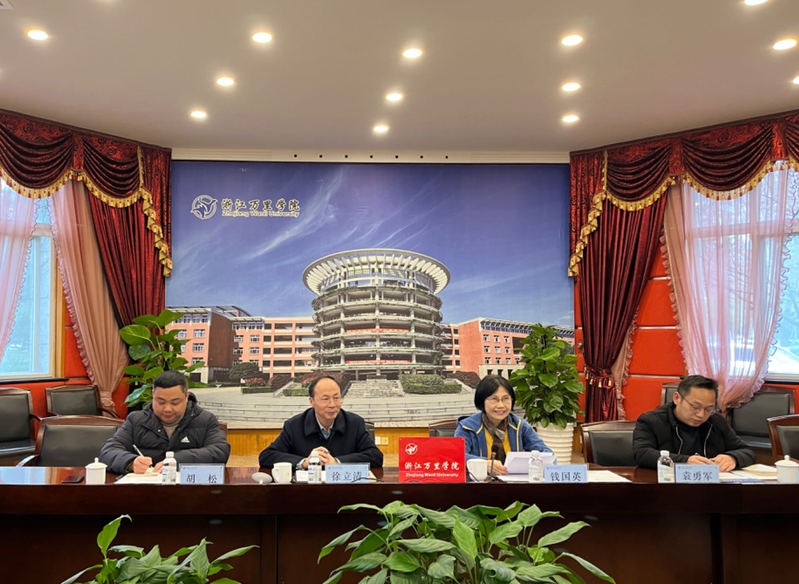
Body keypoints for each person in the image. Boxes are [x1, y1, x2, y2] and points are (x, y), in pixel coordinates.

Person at [99, 370, 230, 474]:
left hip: (188, 491)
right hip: (145, 491)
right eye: (161, 402)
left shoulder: (205, 420)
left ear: (186, 396)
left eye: (175, 402)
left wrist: (177, 460)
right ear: (153, 395)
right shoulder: (136, 420)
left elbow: (220, 451)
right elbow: (108, 450)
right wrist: (130, 462)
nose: (167, 409)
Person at [633, 374, 755, 471]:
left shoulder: (716, 420)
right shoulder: (651, 420)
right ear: (677, 398)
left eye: (708, 409)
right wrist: (685, 461)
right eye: (695, 407)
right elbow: (642, 454)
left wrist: (733, 458)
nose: (701, 414)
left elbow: (747, 451)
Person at [258, 375, 383, 469]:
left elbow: (375, 456)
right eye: (325, 399)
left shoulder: (354, 423)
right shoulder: (294, 425)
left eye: (336, 398)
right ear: (311, 401)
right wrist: (304, 462)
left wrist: (336, 462)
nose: (332, 404)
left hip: (343, 489)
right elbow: (267, 456)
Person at [455, 374, 552, 475]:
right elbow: (457, 457)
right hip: (480, 483)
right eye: (494, 399)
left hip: (514, 482)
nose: (501, 405)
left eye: (506, 398)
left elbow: (547, 453)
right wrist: (482, 464)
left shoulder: (519, 425)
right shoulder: (467, 427)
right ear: (482, 401)